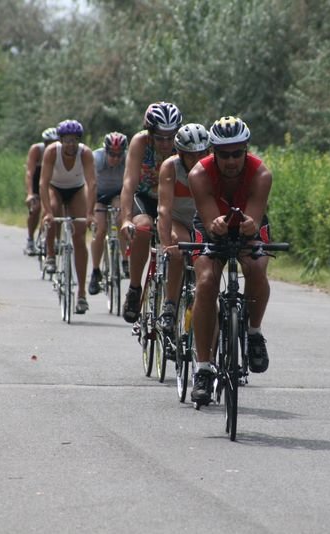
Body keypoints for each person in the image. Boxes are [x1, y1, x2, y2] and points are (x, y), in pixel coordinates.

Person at [187, 116, 273, 404]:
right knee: (207, 281)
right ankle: (203, 369)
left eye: (238, 153)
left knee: (256, 266)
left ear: (246, 150)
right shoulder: (199, 173)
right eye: (224, 154)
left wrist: (250, 226)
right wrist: (218, 227)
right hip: (211, 222)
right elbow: (211, 220)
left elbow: (256, 215)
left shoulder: (261, 173)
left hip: (248, 219)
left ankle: (254, 333)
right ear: (213, 152)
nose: (231, 160)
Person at [119, 102, 183, 323]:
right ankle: (135, 289)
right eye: (160, 137)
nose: (166, 143)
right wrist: (126, 219)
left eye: (170, 137)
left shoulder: (184, 144)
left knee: (177, 242)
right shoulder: (140, 142)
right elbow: (128, 183)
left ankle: (173, 303)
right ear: (150, 133)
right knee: (143, 228)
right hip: (144, 198)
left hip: (172, 202)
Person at [155, 123, 211, 335]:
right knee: (179, 250)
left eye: (202, 154)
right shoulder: (171, 167)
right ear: (180, 154)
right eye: (191, 156)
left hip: (203, 221)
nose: (197, 160)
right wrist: (167, 245)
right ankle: (170, 305)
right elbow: (164, 210)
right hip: (178, 220)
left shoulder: (213, 167)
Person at [40, 119, 97, 314]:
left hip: (76, 190)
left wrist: (90, 214)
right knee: (53, 210)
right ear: (61, 140)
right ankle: (50, 254)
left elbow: (92, 183)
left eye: (74, 140)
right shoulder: (51, 152)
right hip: (55, 188)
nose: (70, 144)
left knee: (79, 237)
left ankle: (81, 294)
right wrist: (47, 212)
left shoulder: (86, 153)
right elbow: (43, 183)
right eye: (66, 140)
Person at [88, 132, 129, 295]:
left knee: (121, 220)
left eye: (119, 155)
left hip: (117, 194)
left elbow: (131, 185)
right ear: (106, 151)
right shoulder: (96, 158)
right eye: (112, 154)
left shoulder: (127, 159)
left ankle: (125, 260)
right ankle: (96, 271)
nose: (115, 159)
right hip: (98, 195)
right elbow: (89, 185)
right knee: (100, 230)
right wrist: (90, 211)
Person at [23, 127, 59, 255]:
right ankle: (30, 240)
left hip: (53, 181)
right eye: (49, 143)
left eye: (55, 143)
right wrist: (30, 193)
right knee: (36, 208)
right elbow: (29, 173)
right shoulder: (37, 150)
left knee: (56, 210)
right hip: (38, 180)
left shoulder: (62, 152)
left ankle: (55, 239)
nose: (52, 146)